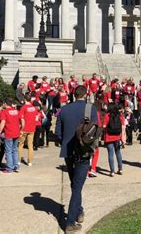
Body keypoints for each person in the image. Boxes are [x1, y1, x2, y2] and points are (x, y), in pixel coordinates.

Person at [55, 85, 98, 233]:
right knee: (76, 187)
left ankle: (79, 212)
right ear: (86, 94)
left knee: (75, 184)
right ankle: (70, 222)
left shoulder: (64, 109)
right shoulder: (90, 108)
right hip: (83, 151)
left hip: (68, 150)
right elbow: (95, 130)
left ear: (74, 94)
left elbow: (58, 133)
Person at [0, 98, 21, 174]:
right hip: (16, 133)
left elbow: (3, 122)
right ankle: (16, 166)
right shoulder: (16, 111)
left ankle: (9, 169)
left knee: (8, 151)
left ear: (5, 103)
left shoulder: (4, 112)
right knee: (14, 150)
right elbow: (22, 121)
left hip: (9, 133)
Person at [103, 104, 124, 177]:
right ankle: (120, 169)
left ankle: (112, 171)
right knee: (118, 152)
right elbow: (123, 126)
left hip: (109, 136)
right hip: (117, 136)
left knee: (110, 154)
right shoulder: (120, 115)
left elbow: (104, 126)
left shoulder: (107, 115)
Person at [18, 94, 38, 166]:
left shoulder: (23, 108)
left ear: (24, 99)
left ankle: (19, 160)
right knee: (30, 145)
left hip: (24, 129)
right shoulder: (34, 108)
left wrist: (21, 129)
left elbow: (21, 119)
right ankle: (30, 162)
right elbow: (36, 118)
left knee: (20, 144)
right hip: (32, 128)